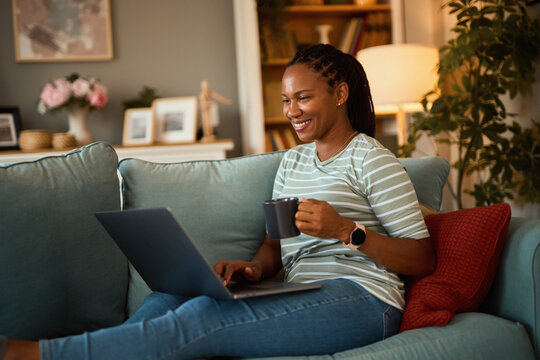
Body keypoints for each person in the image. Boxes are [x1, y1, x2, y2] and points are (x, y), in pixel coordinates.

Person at [1, 44, 435, 360]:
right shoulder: (293, 161)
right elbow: (273, 246)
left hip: (363, 300)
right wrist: (252, 270)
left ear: (340, 94)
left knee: (201, 317)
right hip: (301, 289)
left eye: (303, 97)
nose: (292, 111)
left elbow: (423, 258)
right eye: (286, 100)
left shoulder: (372, 158)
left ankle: (38, 355)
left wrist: (346, 231)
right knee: (165, 300)